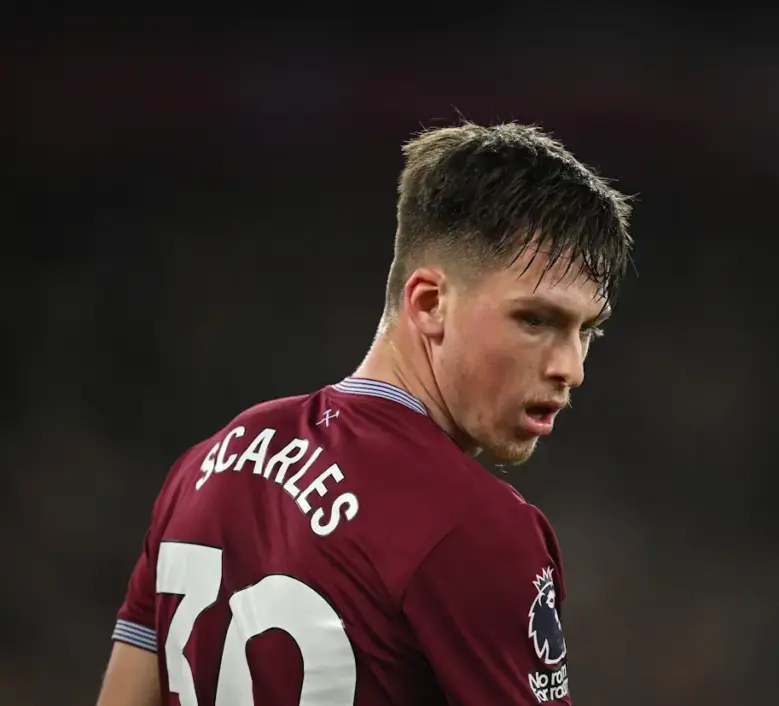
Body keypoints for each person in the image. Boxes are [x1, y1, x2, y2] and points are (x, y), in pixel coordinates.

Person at [96, 120, 634, 706]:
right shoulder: (474, 528)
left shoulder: (205, 466)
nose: (571, 368)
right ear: (430, 303)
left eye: (588, 331)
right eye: (536, 320)